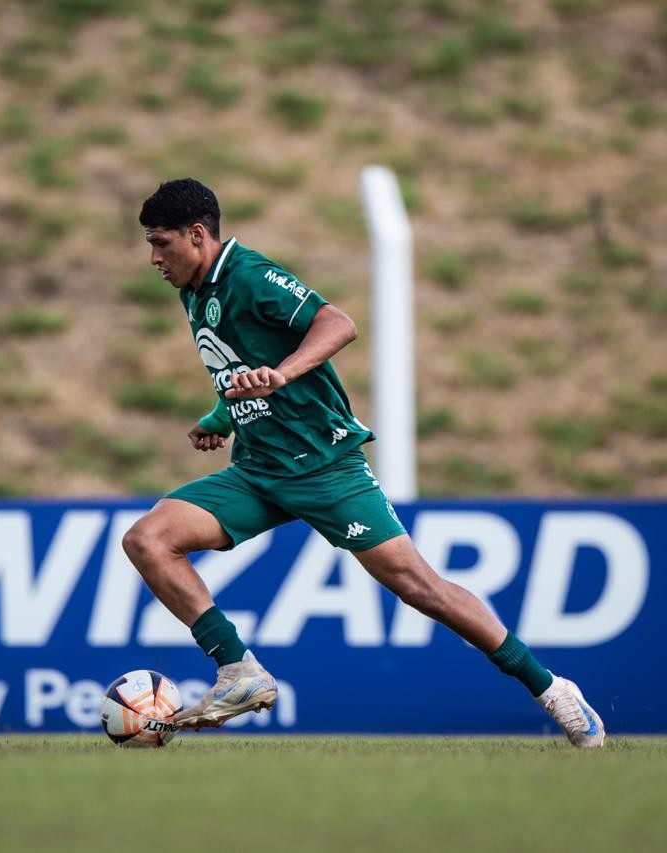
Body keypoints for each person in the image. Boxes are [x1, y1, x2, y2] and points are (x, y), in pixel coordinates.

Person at [122, 178, 605, 748]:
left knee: (420, 587)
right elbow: (243, 365)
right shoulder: (196, 290)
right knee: (148, 540)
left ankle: (552, 689)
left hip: (326, 467)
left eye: (162, 243)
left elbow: (338, 324)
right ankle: (238, 670)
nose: (154, 257)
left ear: (197, 235)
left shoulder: (250, 275)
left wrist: (284, 374)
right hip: (259, 470)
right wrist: (222, 416)